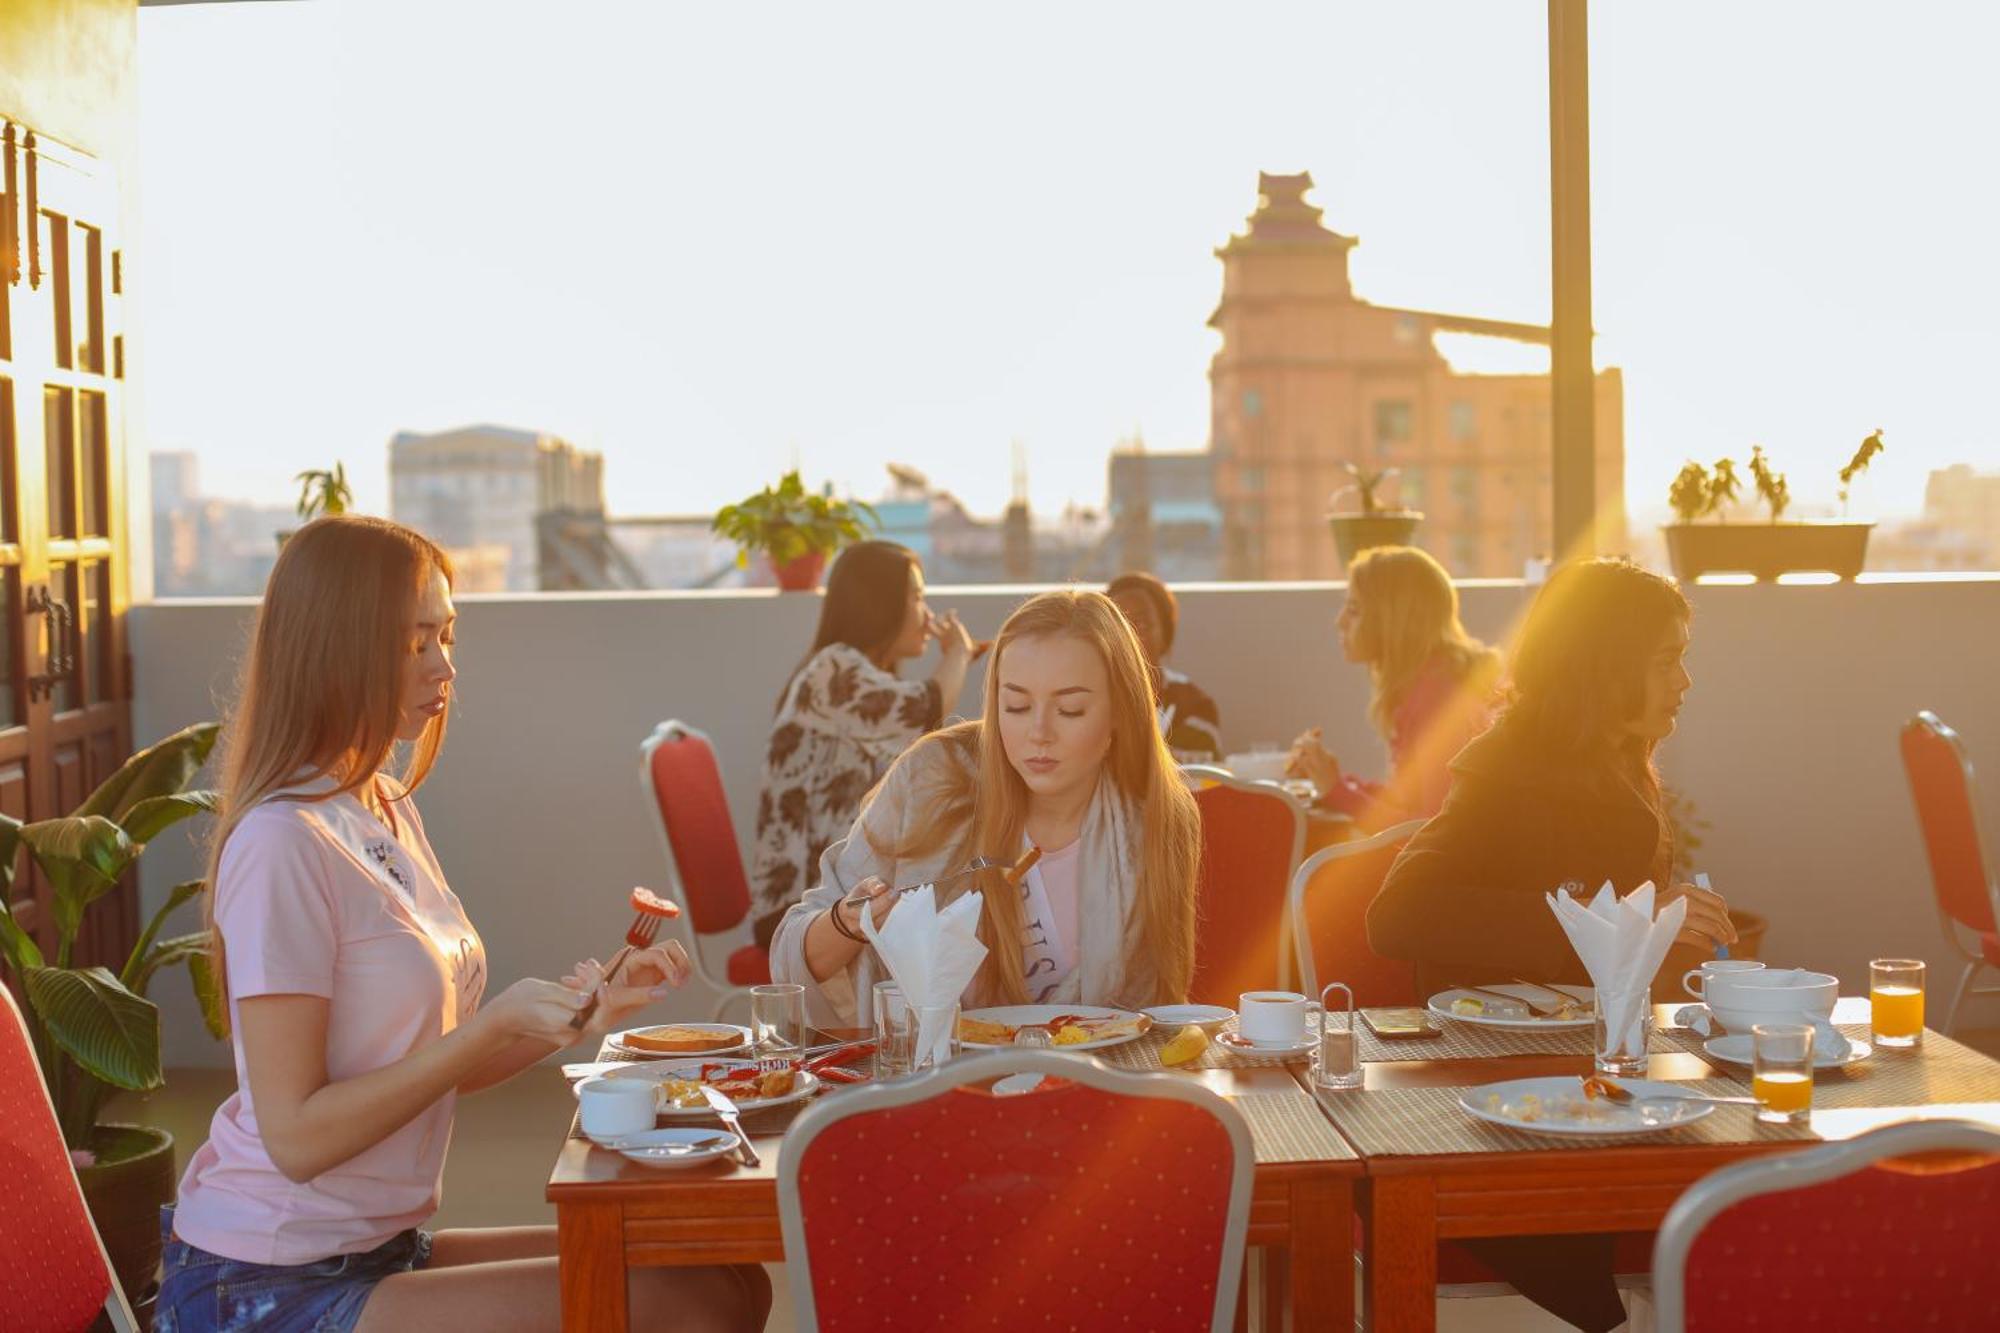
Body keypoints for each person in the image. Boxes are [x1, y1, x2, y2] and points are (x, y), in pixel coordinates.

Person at [160, 516, 769, 1333]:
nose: (444, 665)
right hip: (269, 1279)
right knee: (683, 1304)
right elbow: (297, 1136)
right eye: (415, 643)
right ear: (335, 646)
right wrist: (487, 1033)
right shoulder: (281, 843)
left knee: (719, 1266)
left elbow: (426, 1063)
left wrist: (588, 1011)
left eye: (446, 635)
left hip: (376, 1246)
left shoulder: (381, 805)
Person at [1367, 557, 1735, 1333]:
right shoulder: (1507, 768)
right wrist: (1606, 917)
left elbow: (1611, 949)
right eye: (1668, 659)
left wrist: (1661, 931)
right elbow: (1396, 914)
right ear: (1605, 667)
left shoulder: (1618, 763)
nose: (1687, 681)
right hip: (1489, 1100)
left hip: (1582, 1077)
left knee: (1742, 1165)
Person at [770, 589, 1202, 1024]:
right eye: (1015, 706)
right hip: (935, 1082)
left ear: (1119, 714)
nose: (1039, 732)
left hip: (1095, 1080)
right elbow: (794, 958)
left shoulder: (1156, 819)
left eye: (1070, 710)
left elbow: (1161, 1007)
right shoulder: (933, 780)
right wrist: (851, 923)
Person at [750, 541, 974, 945]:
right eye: (919, 598)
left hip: (838, 893)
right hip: (802, 909)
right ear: (881, 605)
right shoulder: (834, 670)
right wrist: (958, 652)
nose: (928, 616)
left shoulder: (853, 674)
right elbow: (929, 707)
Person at [1286, 545, 1500, 828]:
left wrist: (1339, 793)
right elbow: (1409, 802)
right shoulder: (1426, 682)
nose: (1339, 622)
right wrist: (1334, 782)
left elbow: (1429, 830)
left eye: (1354, 610)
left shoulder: (1437, 698)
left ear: (1392, 619)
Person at [1106, 571, 1222, 763]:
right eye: (1119, 625)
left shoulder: (1196, 704)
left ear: (1165, 633)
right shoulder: (1084, 702)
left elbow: (1199, 780)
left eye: (1141, 624)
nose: (1130, 636)